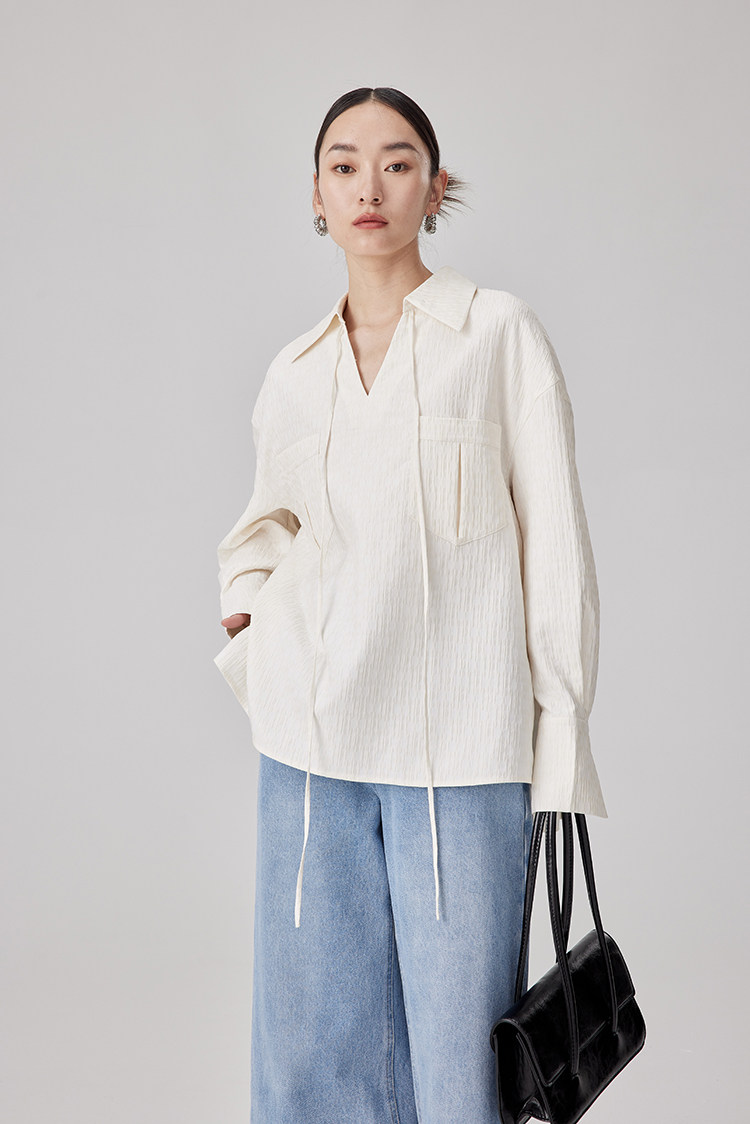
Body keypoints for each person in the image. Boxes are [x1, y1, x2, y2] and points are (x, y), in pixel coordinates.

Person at [213, 85, 608, 1124]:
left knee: (462, 1062)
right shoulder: (295, 373)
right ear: (316, 195)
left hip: (462, 755)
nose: (369, 185)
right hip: (312, 753)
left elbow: (556, 545)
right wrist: (254, 620)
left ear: (435, 189)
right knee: (311, 1054)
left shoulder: (497, 335)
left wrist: (559, 741)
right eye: (343, 165)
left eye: (396, 163)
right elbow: (263, 526)